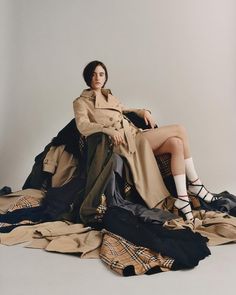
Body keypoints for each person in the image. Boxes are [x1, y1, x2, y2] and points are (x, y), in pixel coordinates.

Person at [73, 60, 216, 221]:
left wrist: (142, 112)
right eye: (93, 74)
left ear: (105, 77)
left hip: (133, 135)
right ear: (87, 77)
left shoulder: (109, 96)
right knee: (180, 130)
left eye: (101, 74)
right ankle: (196, 185)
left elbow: (124, 109)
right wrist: (107, 129)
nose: (97, 78)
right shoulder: (81, 102)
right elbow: (83, 126)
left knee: (176, 143)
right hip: (123, 143)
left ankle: (183, 199)